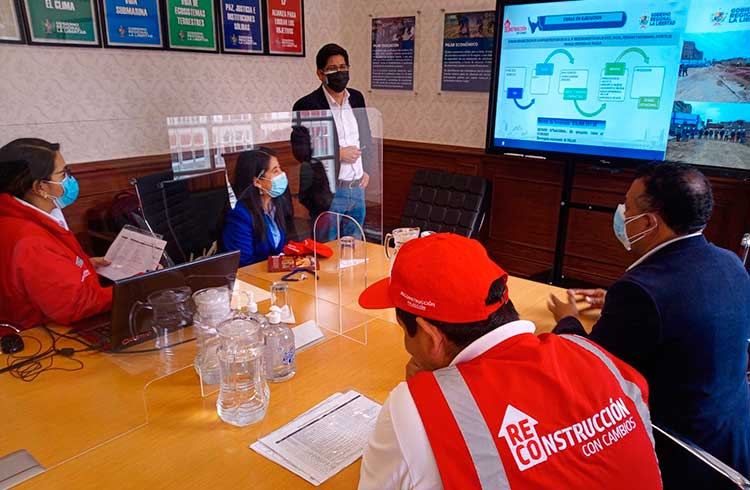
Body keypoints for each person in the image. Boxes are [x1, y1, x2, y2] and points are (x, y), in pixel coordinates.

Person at [358, 233, 663, 490]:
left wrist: (422, 400)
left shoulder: (413, 408)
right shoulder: (598, 357)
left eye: (404, 330)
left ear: (430, 335)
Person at [547, 162, 750, 485]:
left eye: (627, 206)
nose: (622, 213)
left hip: (680, 452)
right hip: (733, 438)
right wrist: (616, 304)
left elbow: (589, 369)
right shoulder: (730, 262)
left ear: (649, 222)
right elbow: (688, 315)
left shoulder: (642, 291)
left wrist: (568, 318)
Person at [0, 138, 112, 329]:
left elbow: (38, 273)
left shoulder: (16, 215)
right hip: (41, 335)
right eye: (63, 174)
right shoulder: (30, 240)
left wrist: (83, 266)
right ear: (40, 187)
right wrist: (138, 286)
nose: (70, 179)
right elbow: (75, 305)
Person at [292, 43, 373, 239]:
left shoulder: (357, 98)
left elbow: (365, 136)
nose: (339, 73)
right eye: (333, 68)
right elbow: (300, 150)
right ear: (320, 74)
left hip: (357, 187)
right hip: (328, 191)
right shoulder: (307, 105)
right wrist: (337, 153)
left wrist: (367, 169)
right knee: (326, 247)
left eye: (343, 67)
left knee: (355, 246)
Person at [222, 148, 288, 266]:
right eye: (275, 171)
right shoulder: (240, 215)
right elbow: (243, 264)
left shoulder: (276, 204)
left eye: (280, 168)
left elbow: (279, 250)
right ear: (257, 182)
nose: (282, 174)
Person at [290, 125, 333, 224]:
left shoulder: (304, 167)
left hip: (314, 216)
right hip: (324, 213)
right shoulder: (316, 163)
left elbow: (302, 198)